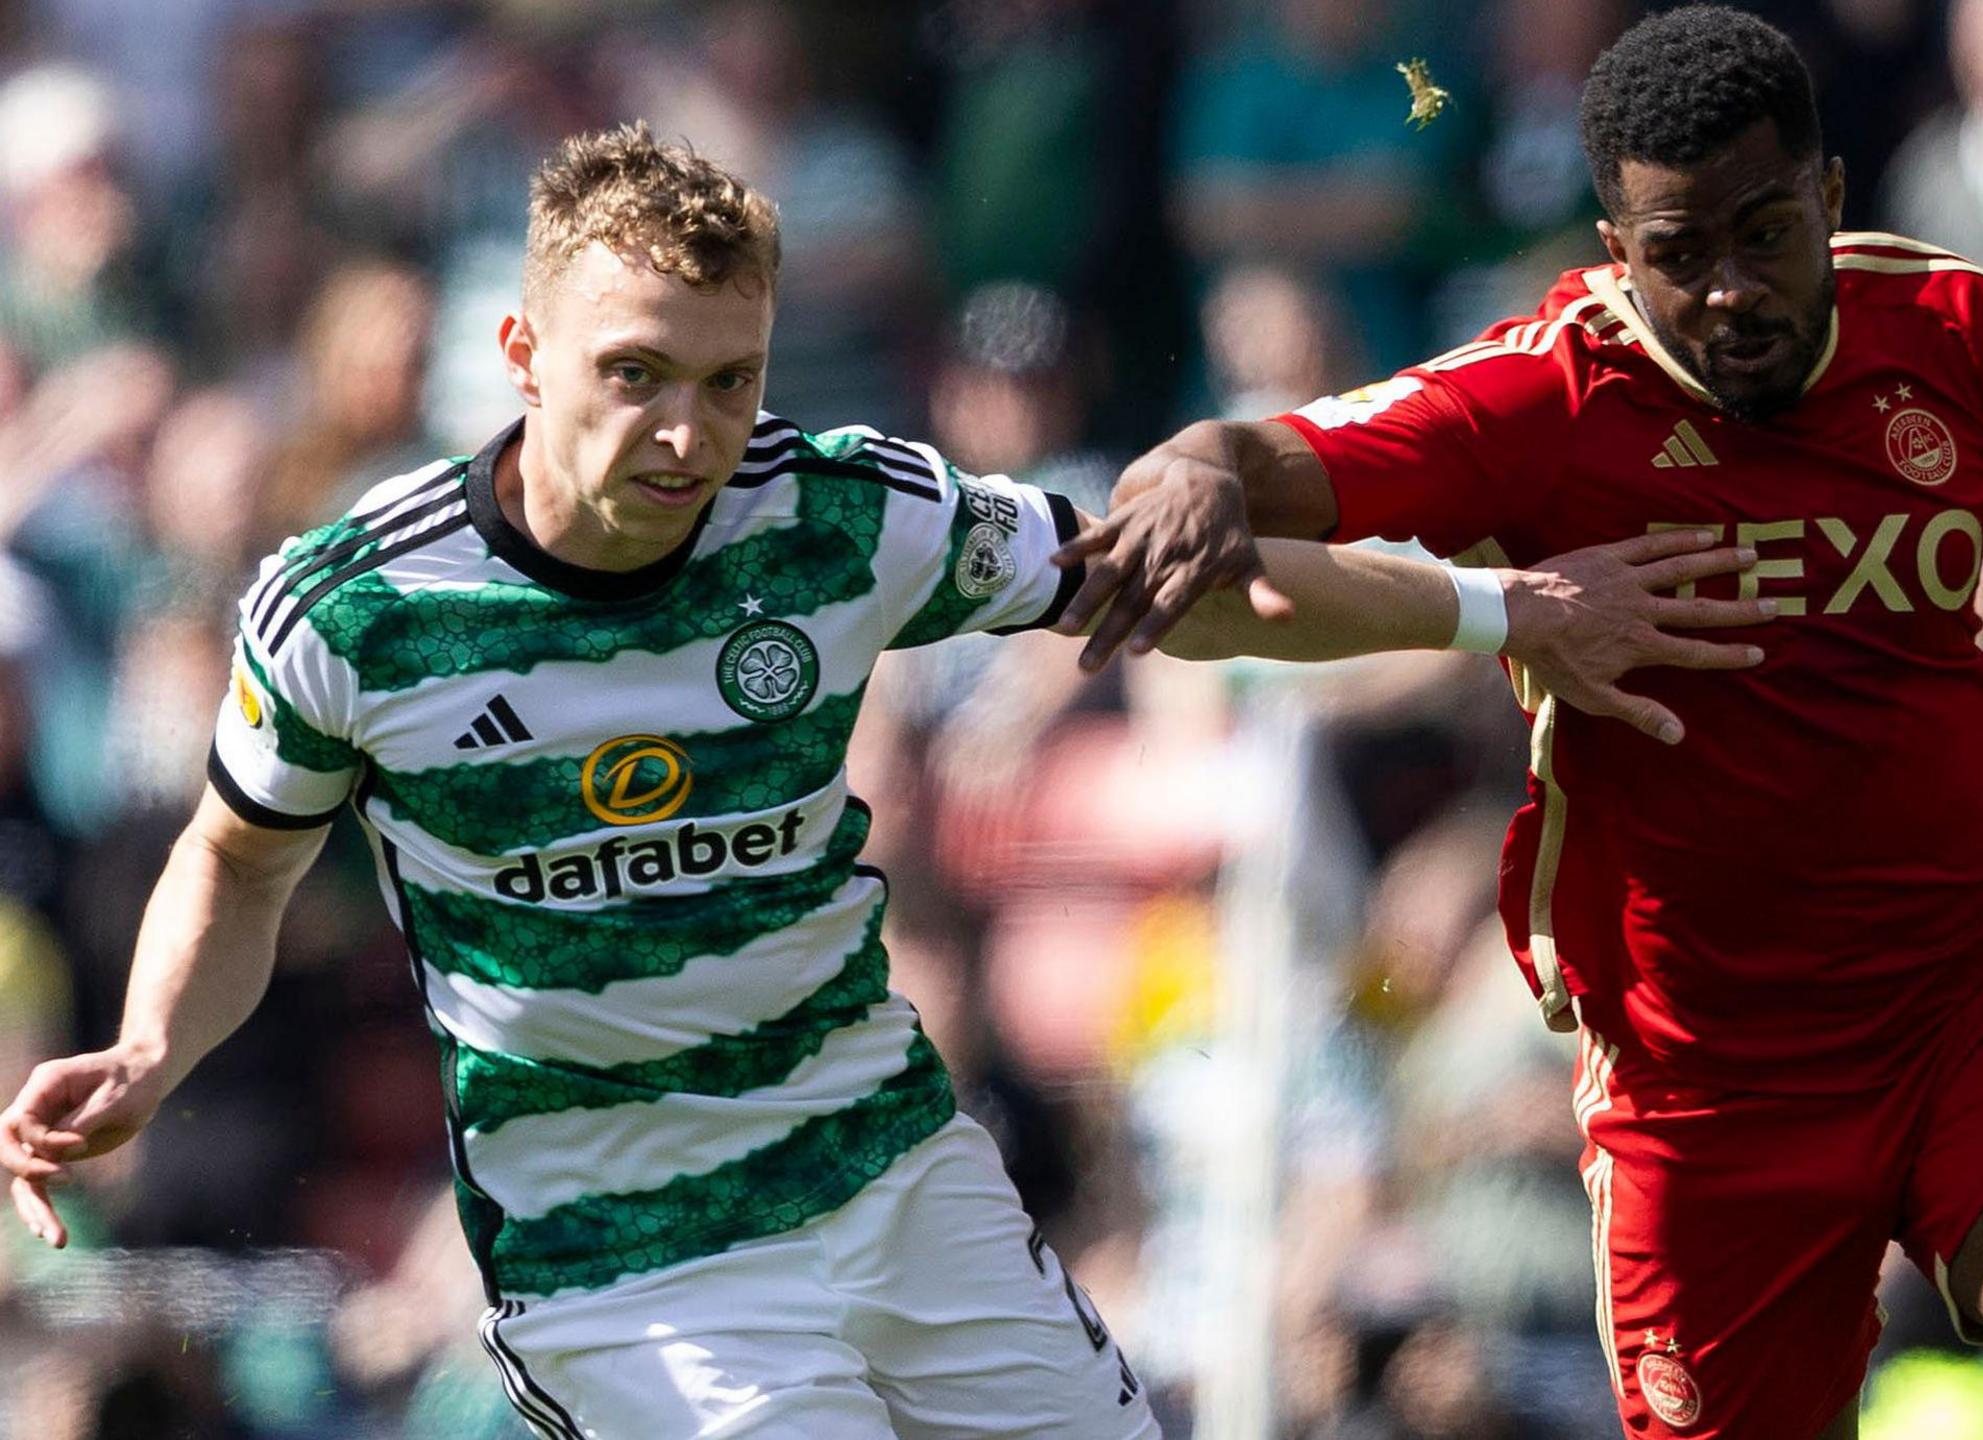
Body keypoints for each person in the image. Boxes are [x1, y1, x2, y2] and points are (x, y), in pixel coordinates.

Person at [0, 123, 1765, 1438]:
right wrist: (154, 1042)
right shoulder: (358, 609)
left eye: (726, 376)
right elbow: (236, 866)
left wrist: (1492, 607)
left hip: (895, 1174)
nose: (688, 433)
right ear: (524, 355)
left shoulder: (843, 514)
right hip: (627, 1247)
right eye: (633, 376)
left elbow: (1199, 590)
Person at [1059, 8, 1983, 1438]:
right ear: (1617, 245)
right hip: (1706, 1089)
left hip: (1972, 992)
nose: (1728, 288)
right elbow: (1247, 460)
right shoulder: (1542, 397)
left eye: (1764, 232)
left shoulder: (1956, 332)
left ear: (1831, 199)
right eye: (1676, 254)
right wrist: (1197, 471)